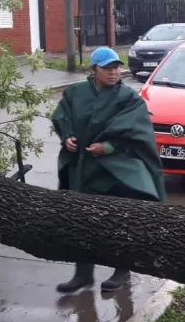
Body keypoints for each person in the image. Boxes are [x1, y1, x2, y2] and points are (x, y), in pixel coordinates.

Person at [50, 47, 166, 294]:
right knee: (82, 221)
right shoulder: (76, 93)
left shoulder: (129, 98)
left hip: (115, 172)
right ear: (94, 70)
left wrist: (109, 147)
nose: (114, 72)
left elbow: (137, 133)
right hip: (83, 170)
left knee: (118, 221)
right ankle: (83, 275)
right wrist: (67, 136)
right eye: (107, 68)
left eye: (116, 68)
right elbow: (62, 116)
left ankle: (122, 271)